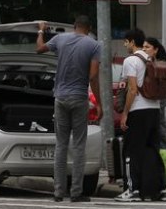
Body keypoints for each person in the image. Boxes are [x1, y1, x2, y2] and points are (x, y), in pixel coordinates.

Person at [36, 17, 101, 203]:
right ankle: (76, 193)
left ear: (74, 27)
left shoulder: (60, 39)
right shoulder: (94, 45)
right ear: (88, 29)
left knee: (61, 145)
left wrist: (41, 30)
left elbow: (39, 49)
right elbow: (94, 77)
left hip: (60, 98)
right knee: (79, 146)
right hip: (79, 98)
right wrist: (98, 103)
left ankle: (58, 192)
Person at [115, 29, 165, 203]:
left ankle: (132, 189)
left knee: (130, 151)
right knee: (152, 150)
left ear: (131, 42)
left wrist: (125, 114)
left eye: (125, 42)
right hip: (154, 110)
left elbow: (133, 89)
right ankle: (160, 189)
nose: (124, 45)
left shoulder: (131, 60)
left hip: (138, 111)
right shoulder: (151, 58)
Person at [143, 37, 166, 152]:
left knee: (160, 129)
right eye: (143, 47)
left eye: (147, 47)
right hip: (154, 101)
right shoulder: (150, 63)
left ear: (155, 50)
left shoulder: (160, 65)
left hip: (158, 100)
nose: (144, 49)